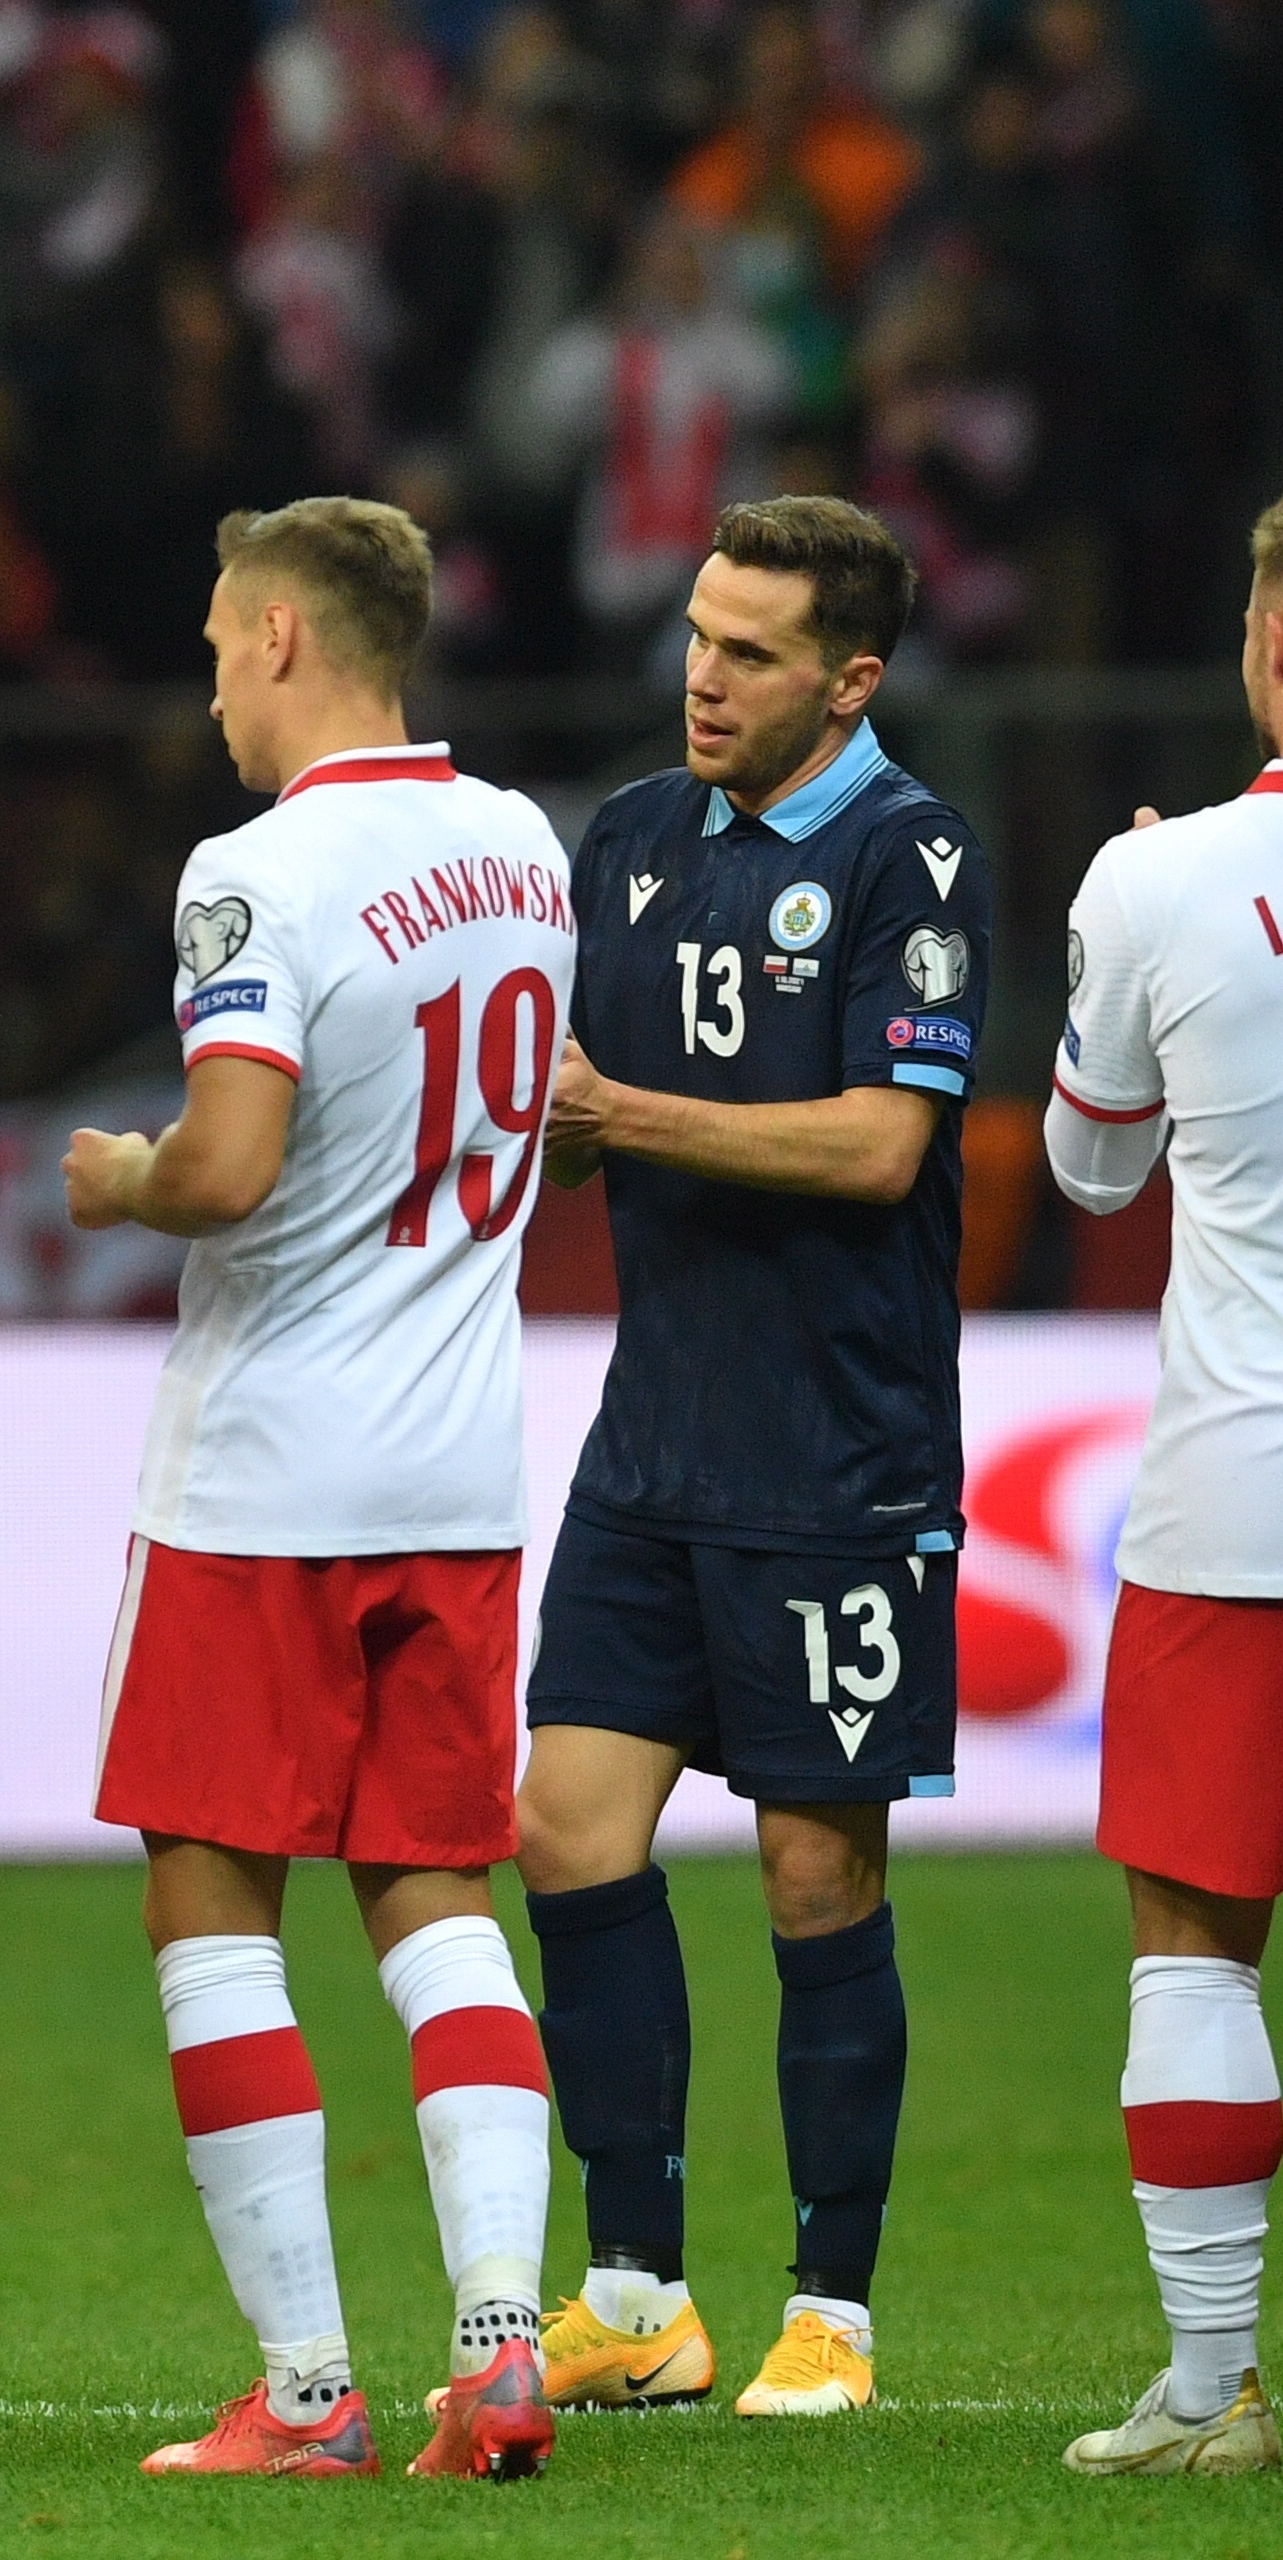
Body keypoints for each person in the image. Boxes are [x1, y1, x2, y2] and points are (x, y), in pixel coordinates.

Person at [69, 499, 575, 2482]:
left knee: (211, 1902)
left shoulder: (255, 874)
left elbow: (230, 1160)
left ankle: (304, 2393)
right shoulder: (525, 845)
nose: (205, 678)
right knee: (439, 1892)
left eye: (214, 638)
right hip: (459, 1459)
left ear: (284, 634)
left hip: (270, 1463)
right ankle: (508, 2346)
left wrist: (119, 1174)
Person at [525, 495, 988, 2419]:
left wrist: (619, 1113)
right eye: (699, 638)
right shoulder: (627, 840)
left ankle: (833, 2312)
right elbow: (558, 1122)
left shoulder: (915, 852)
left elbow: (884, 1147)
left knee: (817, 1872)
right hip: (655, 1442)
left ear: (850, 680)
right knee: (562, 1827)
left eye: (752, 654)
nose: (703, 678)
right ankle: (638, 2294)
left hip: (839, 1452)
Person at [1042, 495, 1283, 2478]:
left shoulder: (1168, 884)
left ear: (1265, 642)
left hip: (1239, 1489)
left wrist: (1099, 930)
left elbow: (1093, 1170)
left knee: (1197, 1935)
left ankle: (1214, 2392)